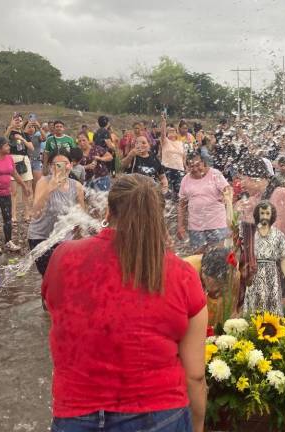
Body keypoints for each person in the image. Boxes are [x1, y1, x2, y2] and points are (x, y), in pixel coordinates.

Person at [42, 174, 207, 432]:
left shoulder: (64, 257)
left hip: (76, 410)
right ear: (159, 216)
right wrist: (197, 424)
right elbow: (195, 375)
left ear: (109, 210)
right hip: (160, 413)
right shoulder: (182, 274)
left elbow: (59, 316)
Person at [236, 157, 285, 311]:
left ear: (254, 177)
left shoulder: (281, 194)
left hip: (284, 265)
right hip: (263, 268)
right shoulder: (255, 200)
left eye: (243, 179)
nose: (241, 184)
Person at [27, 152, 85, 276]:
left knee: (65, 276)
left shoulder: (77, 186)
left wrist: (80, 241)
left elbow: (81, 216)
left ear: (71, 165)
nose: (61, 167)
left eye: (65, 163)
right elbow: (36, 213)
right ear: (50, 167)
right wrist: (50, 188)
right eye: (56, 164)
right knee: (49, 276)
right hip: (41, 237)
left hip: (65, 238)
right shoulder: (43, 182)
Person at [243, 201, 285, 315]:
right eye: (262, 213)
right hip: (254, 273)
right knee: (254, 308)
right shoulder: (250, 234)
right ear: (258, 214)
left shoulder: (278, 235)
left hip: (271, 274)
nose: (265, 216)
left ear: (272, 215)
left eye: (267, 213)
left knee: (273, 308)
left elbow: (284, 259)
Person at [0, 136, 31, 253]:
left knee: (8, 218)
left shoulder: (9, 158)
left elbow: (15, 173)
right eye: (6, 145)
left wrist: (24, 186)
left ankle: (8, 241)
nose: (9, 147)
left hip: (6, 192)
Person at [177, 152, 231, 251]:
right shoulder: (185, 180)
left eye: (198, 165)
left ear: (204, 163)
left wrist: (225, 196)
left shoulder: (215, 174)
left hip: (217, 225)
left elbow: (228, 190)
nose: (195, 169)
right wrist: (180, 226)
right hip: (195, 227)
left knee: (219, 257)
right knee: (198, 259)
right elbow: (181, 205)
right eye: (191, 166)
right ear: (187, 167)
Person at [6, 114, 36, 223]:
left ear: (23, 122)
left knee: (27, 189)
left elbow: (31, 148)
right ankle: (13, 216)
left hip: (24, 159)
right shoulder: (9, 132)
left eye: (20, 120)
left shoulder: (25, 134)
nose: (18, 121)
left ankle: (27, 214)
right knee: (13, 191)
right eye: (16, 120)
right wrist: (10, 127)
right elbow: (3, 139)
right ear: (12, 121)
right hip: (12, 159)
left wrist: (22, 139)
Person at [159, 113, 187, 195]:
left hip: (179, 170)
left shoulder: (180, 143)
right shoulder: (165, 141)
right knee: (167, 193)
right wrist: (164, 121)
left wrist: (186, 168)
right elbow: (162, 134)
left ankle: (178, 207)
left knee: (179, 194)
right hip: (167, 168)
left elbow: (183, 157)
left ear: (176, 133)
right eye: (169, 131)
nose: (171, 132)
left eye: (173, 131)